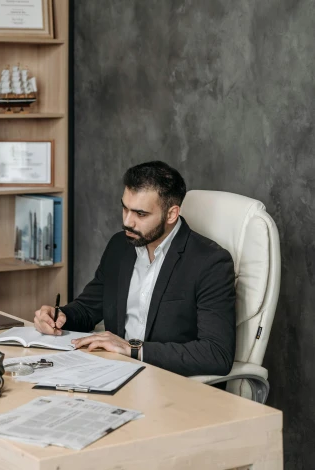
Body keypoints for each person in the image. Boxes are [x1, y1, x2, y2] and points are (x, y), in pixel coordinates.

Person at [34, 161, 236, 377]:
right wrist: (60, 315)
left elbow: (216, 354)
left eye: (140, 214)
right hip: (113, 372)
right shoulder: (120, 246)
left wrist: (132, 349)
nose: (127, 222)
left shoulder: (210, 262)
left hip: (171, 383)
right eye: (125, 208)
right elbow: (89, 308)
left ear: (171, 214)